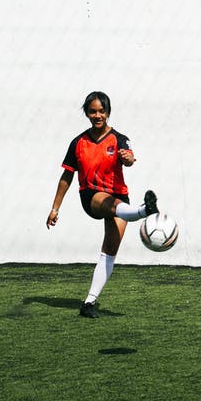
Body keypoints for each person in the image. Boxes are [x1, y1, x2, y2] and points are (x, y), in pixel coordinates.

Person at [46, 91, 158, 318]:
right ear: (87, 113)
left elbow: (129, 158)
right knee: (105, 200)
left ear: (108, 112)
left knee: (109, 252)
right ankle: (144, 210)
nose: (98, 115)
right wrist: (55, 208)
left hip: (119, 199)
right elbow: (66, 177)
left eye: (102, 111)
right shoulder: (78, 142)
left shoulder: (118, 138)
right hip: (92, 197)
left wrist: (128, 159)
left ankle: (89, 303)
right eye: (93, 111)